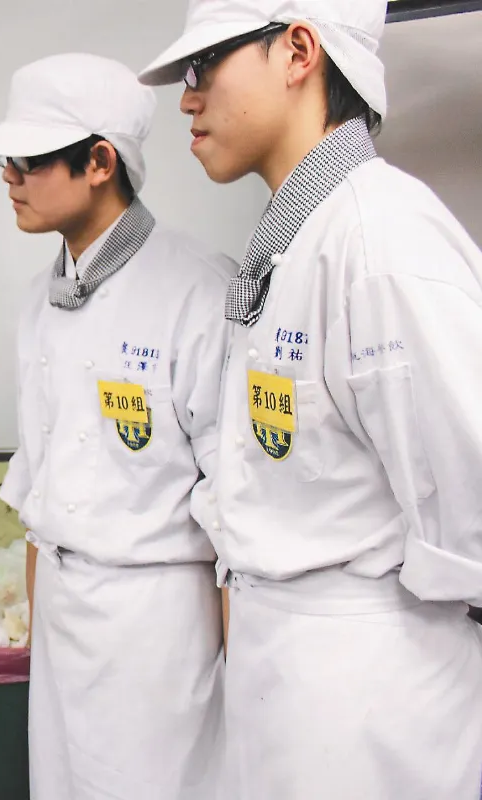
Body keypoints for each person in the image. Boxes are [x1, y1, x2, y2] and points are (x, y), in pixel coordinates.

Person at [140, 1, 482, 797]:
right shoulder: (298, 238)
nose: (187, 98)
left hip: (371, 689)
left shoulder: (381, 237)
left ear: (299, 51)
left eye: (204, 67)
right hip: (290, 672)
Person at [0, 53, 235, 799]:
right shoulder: (36, 303)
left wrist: (237, 668)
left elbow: (235, 512)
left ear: (98, 161)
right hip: (61, 614)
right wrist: (34, 627)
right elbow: (36, 489)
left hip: (156, 627)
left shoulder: (196, 292)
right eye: (5, 158)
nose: (9, 177)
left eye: (27, 159)